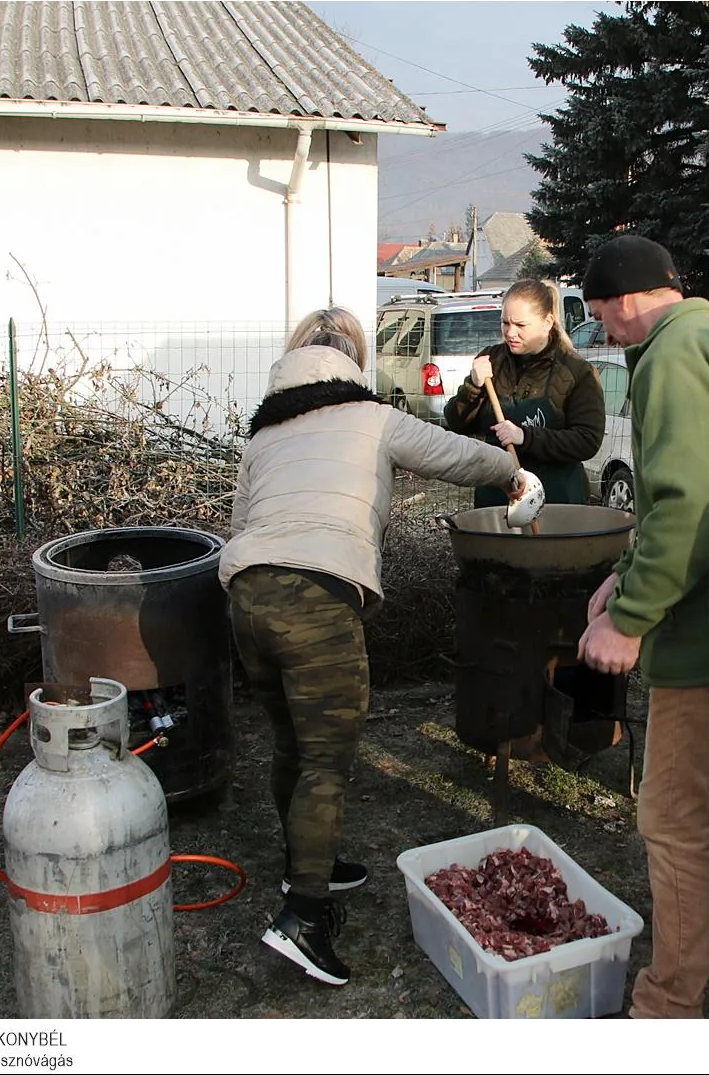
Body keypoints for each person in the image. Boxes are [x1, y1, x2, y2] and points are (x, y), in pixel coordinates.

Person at [219, 307, 536, 987]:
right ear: (352, 361)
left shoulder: (264, 433)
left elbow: (242, 521)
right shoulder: (370, 416)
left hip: (247, 593)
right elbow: (454, 454)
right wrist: (512, 475)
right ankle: (303, 917)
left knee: (291, 746)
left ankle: (311, 863)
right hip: (316, 596)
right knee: (325, 761)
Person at [574, 234, 709, 1018]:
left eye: (595, 309)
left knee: (670, 817)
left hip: (705, 628)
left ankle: (667, 1003)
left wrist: (630, 618)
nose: (596, 326)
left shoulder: (673, 356)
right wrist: (624, 574)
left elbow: (688, 504)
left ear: (622, 296)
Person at [444, 277, 604, 506]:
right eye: (505, 323)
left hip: (556, 500)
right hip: (497, 498)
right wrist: (473, 386)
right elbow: (456, 422)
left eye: (520, 325)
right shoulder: (492, 361)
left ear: (547, 322)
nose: (510, 333)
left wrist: (524, 437)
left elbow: (587, 441)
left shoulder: (576, 372)